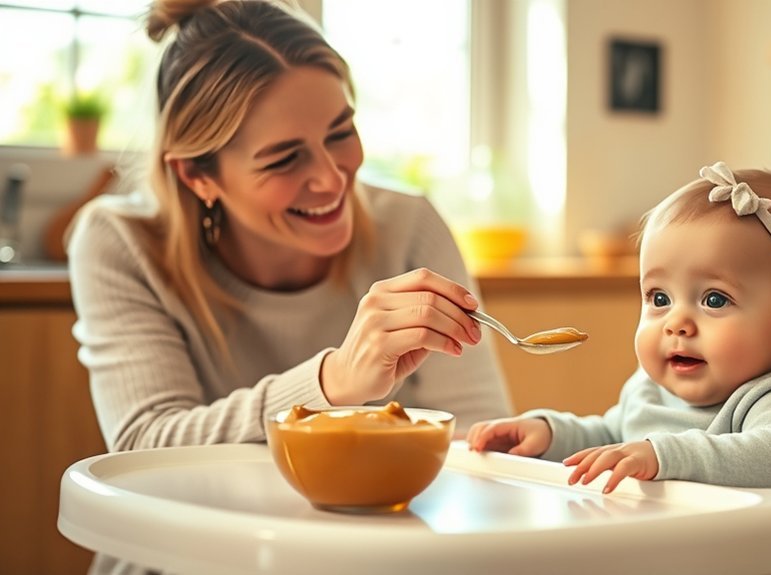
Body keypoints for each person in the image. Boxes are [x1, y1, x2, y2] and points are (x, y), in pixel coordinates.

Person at [67, 0, 512, 458]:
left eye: (340, 133)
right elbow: (145, 445)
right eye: (284, 158)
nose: (332, 178)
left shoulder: (409, 225)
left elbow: (478, 436)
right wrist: (333, 380)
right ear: (197, 176)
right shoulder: (121, 244)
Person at [468, 162, 771, 493]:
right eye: (659, 298)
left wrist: (665, 455)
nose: (676, 323)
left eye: (714, 300)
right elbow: (611, 436)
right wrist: (549, 434)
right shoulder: (649, 388)